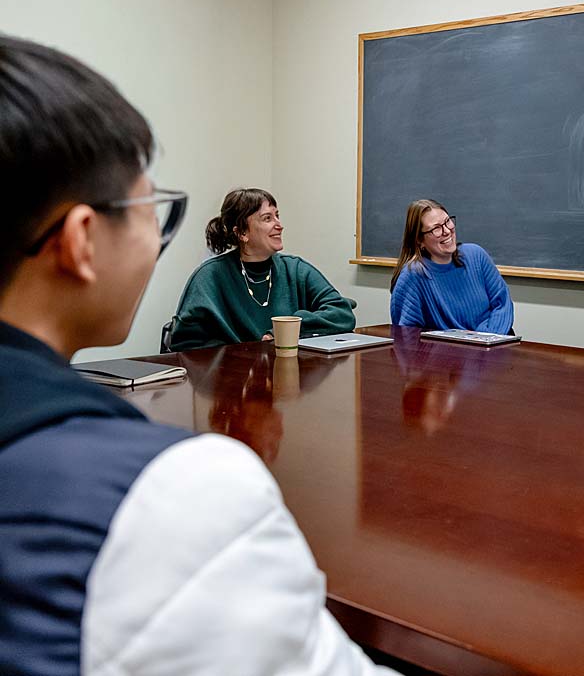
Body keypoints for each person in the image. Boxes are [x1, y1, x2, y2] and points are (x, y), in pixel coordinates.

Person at [0, 34, 398, 675]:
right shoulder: (180, 496)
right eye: (148, 207)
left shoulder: (293, 268)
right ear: (80, 241)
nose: (278, 224)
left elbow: (337, 311)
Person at [169, 188, 357, 351]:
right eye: (267, 218)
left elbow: (341, 313)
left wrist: (288, 328)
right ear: (242, 232)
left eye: (277, 216)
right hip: (232, 382)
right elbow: (186, 342)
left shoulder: (295, 269)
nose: (279, 225)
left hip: (286, 378)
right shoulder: (210, 276)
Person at [389, 198, 514, 334]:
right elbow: (408, 335)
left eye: (447, 221)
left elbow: (502, 303)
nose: (447, 231)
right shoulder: (413, 276)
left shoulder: (476, 255)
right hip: (447, 352)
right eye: (436, 228)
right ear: (419, 240)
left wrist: (487, 339)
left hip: (493, 345)